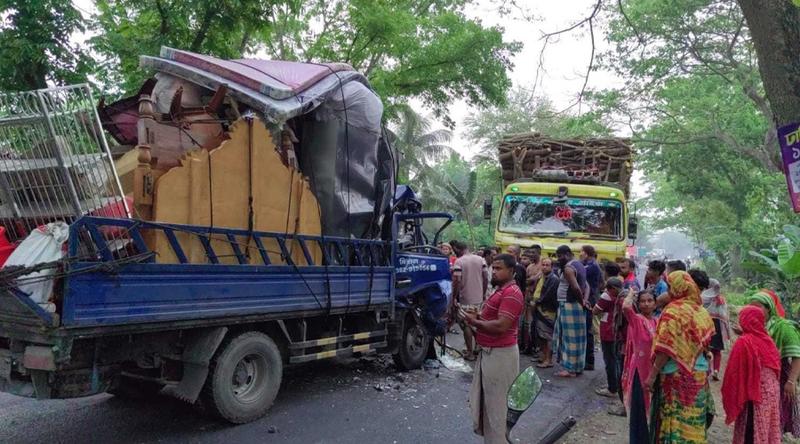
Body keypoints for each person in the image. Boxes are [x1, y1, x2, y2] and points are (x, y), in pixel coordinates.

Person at [646, 271, 715, 443]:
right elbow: (704, 344)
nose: (668, 291)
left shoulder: (673, 311)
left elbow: (665, 349)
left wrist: (652, 375)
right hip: (699, 376)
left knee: (674, 421)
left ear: (676, 288)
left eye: (669, 287)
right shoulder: (701, 311)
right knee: (694, 421)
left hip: (674, 375)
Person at [464, 253, 525, 444]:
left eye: (499, 268)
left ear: (512, 271)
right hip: (490, 352)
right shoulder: (501, 291)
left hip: (500, 355)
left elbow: (501, 326)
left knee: (497, 411)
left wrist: (475, 322)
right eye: (493, 267)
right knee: (489, 409)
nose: (494, 271)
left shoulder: (512, 293)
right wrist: (476, 319)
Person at [721, 305, 782, 444]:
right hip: (770, 393)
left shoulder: (744, 341)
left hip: (754, 394)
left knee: (751, 432)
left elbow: (733, 372)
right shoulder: (767, 340)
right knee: (765, 430)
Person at [747, 289, 800, 437]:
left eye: (758, 307)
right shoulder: (754, 326)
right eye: (751, 307)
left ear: (769, 308)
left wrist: (791, 381)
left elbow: (797, 356)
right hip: (758, 377)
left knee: (775, 415)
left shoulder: (783, 327)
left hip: (778, 377)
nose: (753, 310)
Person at [620, 288, 658, 441]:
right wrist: (630, 294)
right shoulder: (636, 320)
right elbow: (625, 308)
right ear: (638, 304)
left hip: (654, 369)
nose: (647, 304)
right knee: (639, 408)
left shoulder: (658, 321)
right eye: (643, 301)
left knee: (653, 407)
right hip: (640, 370)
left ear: (655, 304)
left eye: (650, 301)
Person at [553, 245, 588, 377]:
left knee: (569, 338)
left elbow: (576, 287)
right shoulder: (579, 264)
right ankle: (577, 366)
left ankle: (570, 369)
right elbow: (586, 286)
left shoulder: (568, 268)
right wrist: (583, 301)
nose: (558, 259)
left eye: (560, 255)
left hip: (569, 305)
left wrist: (582, 301)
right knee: (577, 338)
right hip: (575, 305)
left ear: (567, 254)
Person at [451, 240, 489, 361]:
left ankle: (470, 351)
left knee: (466, 325)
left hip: (465, 298)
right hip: (478, 298)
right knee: (476, 324)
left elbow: (457, 280)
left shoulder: (459, 261)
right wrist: (482, 293)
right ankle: (479, 346)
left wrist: (454, 297)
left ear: (457, 248)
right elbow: (485, 277)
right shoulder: (480, 259)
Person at [593, 277, 624, 398]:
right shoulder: (622, 296)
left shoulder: (606, 296)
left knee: (609, 360)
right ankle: (616, 385)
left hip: (608, 330)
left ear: (612, 289)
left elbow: (595, 311)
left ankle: (612, 388)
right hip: (617, 332)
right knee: (616, 360)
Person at [531, 257, 559, 368]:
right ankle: (543, 356)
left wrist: (536, 302)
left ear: (552, 267)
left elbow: (547, 295)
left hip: (547, 310)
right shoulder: (542, 277)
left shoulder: (553, 279)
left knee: (547, 336)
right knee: (541, 335)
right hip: (539, 309)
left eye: (547, 265)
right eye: (543, 264)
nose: (544, 267)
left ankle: (548, 359)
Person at [702, 279, 730, 381]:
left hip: (708, 325)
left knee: (707, 349)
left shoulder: (704, 298)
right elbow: (725, 315)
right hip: (719, 327)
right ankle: (716, 371)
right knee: (717, 351)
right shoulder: (721, 299)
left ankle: (707, 371)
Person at [580, 245, 602, 371]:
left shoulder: (591, 266)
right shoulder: (589, 264)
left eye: (582, 252)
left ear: (587, 253)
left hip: (590, 300)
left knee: (587, 330)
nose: (580, 254)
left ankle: (589, 360)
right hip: (590, 298)